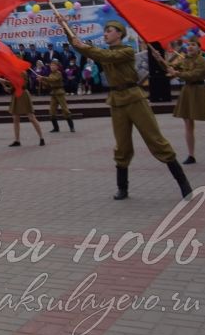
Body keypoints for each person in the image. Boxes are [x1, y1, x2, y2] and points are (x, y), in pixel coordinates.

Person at [55, 13, 192, 200]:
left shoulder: (126, 51)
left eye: (109, 31)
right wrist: (65, 27)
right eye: (104, 31)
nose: (105, 34)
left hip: (135, 99)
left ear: (119, 34)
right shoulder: (104, 53)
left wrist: (84, 46)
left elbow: (102, 55)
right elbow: (85, 50)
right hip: (117, 101)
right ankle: (123, 188)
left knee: (156, 140)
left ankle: (184, 183)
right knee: (122, 146)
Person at [154, 37, 205, 164]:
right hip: (187, 92)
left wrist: (177, 74)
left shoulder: (202, 60)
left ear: (199, 47)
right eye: (189, 45)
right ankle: (191, 155)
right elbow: (169, 67)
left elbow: (195, 75)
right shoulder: (185, 60)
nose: (190, 47)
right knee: (188, 124)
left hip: (200, 91)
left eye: (193, 44)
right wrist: (159, 59)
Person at [0, 72, 45, 147]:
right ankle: (17, 140)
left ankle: (41, 138)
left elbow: (21, 84)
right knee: (15, 118)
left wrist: (5, 82)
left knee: (31, 117)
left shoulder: (23, 72)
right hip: (16, 95)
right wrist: (8, 88)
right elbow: (13, 88)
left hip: (23, 95)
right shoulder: (13, 73)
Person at [40, 58, 74, 133]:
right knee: (52, 111)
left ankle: (71, 127)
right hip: (53, 93)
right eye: (51, 65)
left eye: (54, 65)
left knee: (65, 110)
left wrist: (44, 78)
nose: (52, 67)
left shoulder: (58, 73)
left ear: (57, 67)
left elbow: (53, 79)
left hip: (59, 92)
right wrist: (42, 81)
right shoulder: (50, 74)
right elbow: (48, 84)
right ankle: (56, 128)